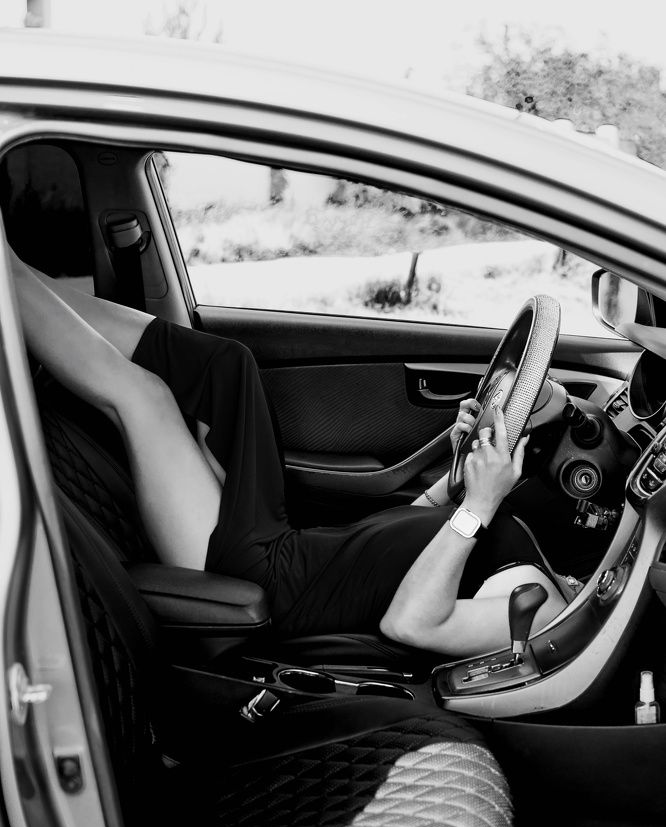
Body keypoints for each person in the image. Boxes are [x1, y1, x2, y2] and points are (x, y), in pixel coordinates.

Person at [10, 249, 568, 657]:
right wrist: (458, 474)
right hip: (281, 544)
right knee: (226, 364)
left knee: (146, 397)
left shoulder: (544, 611)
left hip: (262, 582)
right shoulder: (530, 557)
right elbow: (401, 537)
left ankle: (6, 281)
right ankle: (17, 269)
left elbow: (413, 623)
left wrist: (480, 506)